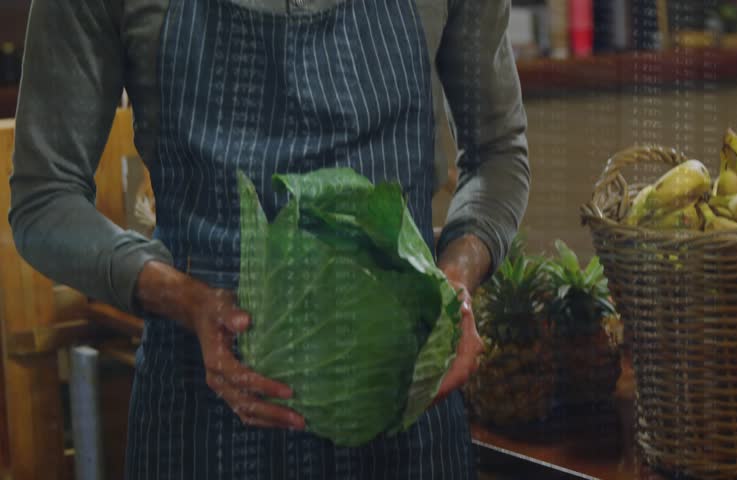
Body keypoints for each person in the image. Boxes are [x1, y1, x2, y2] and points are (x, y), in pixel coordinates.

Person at [8, 0, 530, 478]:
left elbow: (497, 153)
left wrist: (455, 280)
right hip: (200, 416)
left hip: (407, 412)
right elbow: (45, 197)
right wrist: (184, 298)